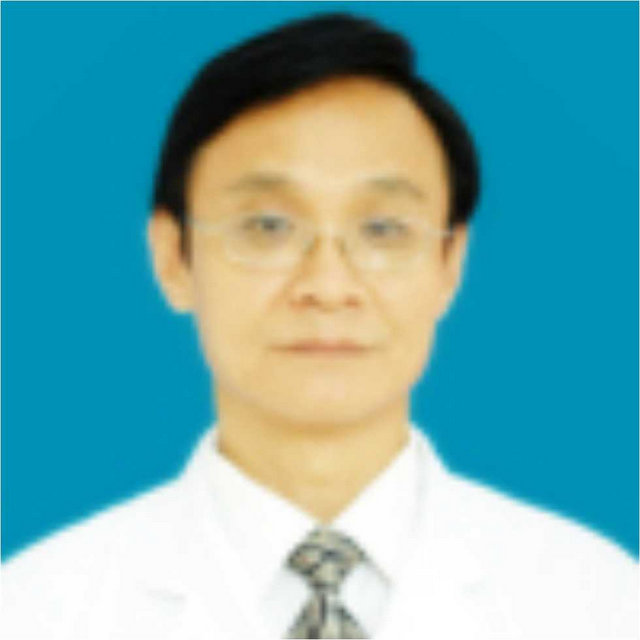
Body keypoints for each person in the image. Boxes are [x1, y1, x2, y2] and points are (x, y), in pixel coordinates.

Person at [2, 12, 637, 640]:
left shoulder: (599, 602)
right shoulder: (35, 611)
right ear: (173, 258)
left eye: (383, 229)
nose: (329, 287)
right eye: (268, 227)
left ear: (449, 263)